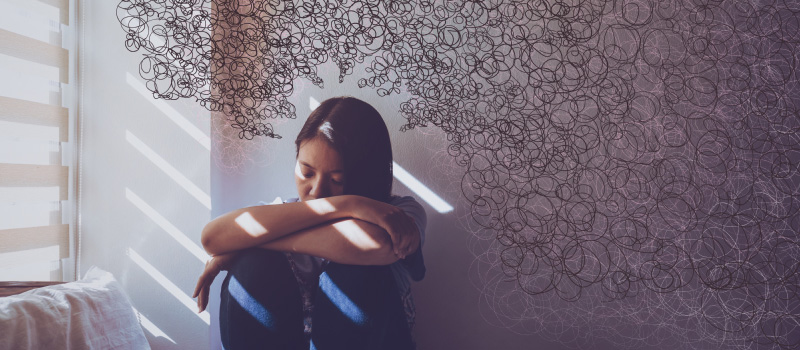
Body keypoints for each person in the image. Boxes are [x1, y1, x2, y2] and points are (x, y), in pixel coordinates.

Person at [192, 97, 427, 350]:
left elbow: (375, 244)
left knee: (356, 274)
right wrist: (347, 204)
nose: (316, 192)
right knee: (252, 266)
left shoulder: (399, 213)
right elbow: (211, 237)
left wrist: (252, 242)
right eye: (307, 173)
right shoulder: (285, 214)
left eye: (337, 179)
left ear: (367, 175)